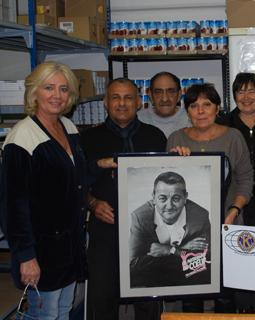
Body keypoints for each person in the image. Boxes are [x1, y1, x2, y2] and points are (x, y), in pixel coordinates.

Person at [0, 61, 87, 319]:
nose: (57, 95)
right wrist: (26, 256)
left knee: (63, 310)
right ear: (34, 92)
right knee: (45, 315)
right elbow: (13, 205)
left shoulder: (68, 128)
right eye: (49, 87)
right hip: (41, 253)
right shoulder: (22, 138)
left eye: (64, 89)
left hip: (69, 248)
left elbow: (74, 178)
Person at [80, 78, 167, 320]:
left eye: (128, 97)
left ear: (139, 102)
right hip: (105, 231)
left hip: (148, 232)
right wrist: (93, 203)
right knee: (103, 298)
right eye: (115, 97)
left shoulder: (156, 137)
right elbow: (76, 182)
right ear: (106, 103)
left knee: (149, 299)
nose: (122, 103)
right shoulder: (87, 139)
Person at [168, 83, 253, 312]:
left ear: (218, 108)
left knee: (225, 293)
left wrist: (234, 210)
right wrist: (175, 161)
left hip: (227, 223)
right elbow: (168, 181)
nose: (201, 111)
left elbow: (246, 179)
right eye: (194, 106)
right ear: (187, 111)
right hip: (189, 230)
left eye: (207, 104)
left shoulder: (233, 137)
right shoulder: (176, 138)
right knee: (191, 292)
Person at [217, 72, 255, 313]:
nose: (246, 96)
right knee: (238, 253)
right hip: (235, 199)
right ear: (233, 96)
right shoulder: (224, 124)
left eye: (252, 90)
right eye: (240, 91)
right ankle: (241, 306)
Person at [129, 171, 211, 288]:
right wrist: (183, 249)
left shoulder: (200, 216)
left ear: (185, 198)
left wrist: (171, 250)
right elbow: (133, 266)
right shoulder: (140, 217)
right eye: (162, 198)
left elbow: (206, 261)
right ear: (153, 197)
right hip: (153, 276)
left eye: (176, 198)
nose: (169, 205)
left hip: (187, 276)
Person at [137, 71, 190, 137]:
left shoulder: (192, 119)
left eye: (171, 92)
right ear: (150, 95)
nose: (165, 99)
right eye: (158, 92)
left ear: (179, 95)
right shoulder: (138, 119)